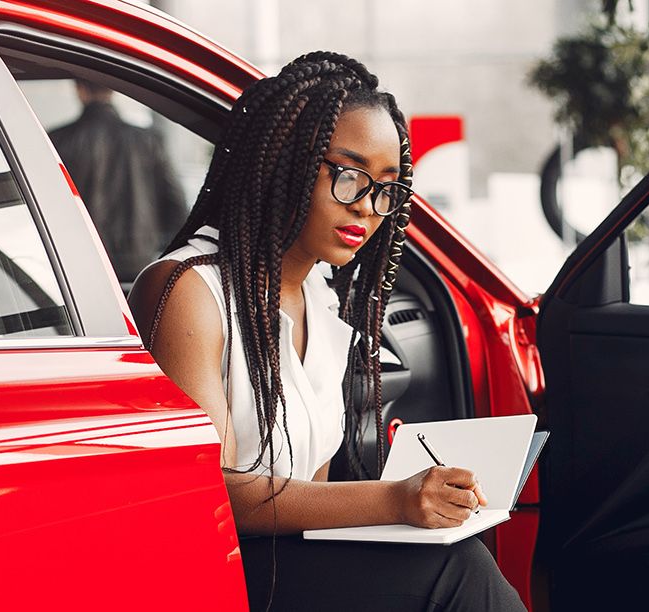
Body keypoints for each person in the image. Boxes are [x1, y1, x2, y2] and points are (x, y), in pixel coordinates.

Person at [128, 52, 527, 612]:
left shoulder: (320, 296)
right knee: (455, 575)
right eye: (347, 174)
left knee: (454, 557)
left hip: (286, 561)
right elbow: (209, 495)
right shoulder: (191, 290)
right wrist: (392, 499)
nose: (367, 206)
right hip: (223, 570)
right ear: (285, 163)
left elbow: (306, 495)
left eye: (386, 188)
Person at [50, 81, 188, 279]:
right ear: (112, 91)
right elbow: (176, 205)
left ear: (80, 90)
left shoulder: (57, 141)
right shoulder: (147, 140)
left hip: (81, 264)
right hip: (138, 264)